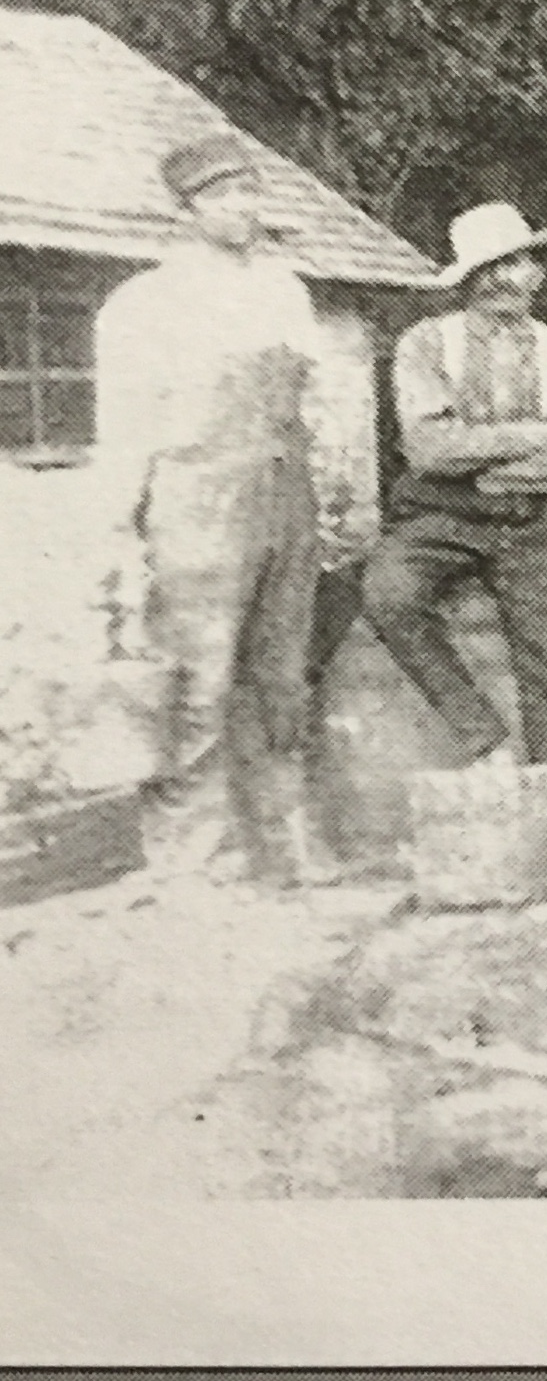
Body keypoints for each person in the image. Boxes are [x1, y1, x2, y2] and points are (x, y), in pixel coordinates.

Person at [92, 132, 328, 884]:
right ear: (187, 209)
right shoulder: (145, 302)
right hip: (195, 503)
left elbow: (310, 403)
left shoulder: (285, 289)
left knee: (282, 673)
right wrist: (114, 532)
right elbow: (124, 428)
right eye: (223, 196)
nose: (242, 208)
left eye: (251, 192)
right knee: (198, 679)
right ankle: (194, 856)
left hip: (285, 495)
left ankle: (285, 845)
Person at [363, 202, 547, 774]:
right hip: (439, 516)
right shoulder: (426, 344)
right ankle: (479, 731)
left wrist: (483, 461)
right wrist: (536, 435)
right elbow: (427, 450)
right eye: (486, 267)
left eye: (515, 263)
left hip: (537, 522)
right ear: (466, 279)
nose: (502, 278)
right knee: (387, 593)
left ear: (537, 272)